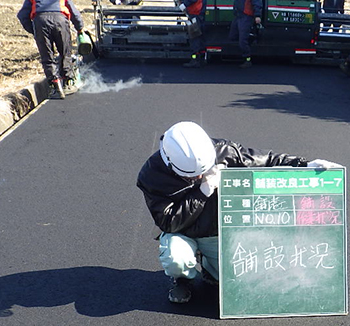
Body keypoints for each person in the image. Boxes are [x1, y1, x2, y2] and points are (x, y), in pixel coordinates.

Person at [136, 121, 339, 303]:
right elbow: (169, 222)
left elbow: (265, 160)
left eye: (203, 171)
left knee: (235, 278)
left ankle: (210, 268)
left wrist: (303, 165)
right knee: (176, 259)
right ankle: (182, 279)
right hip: (183, 232)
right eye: (194, 176)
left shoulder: (223, 151)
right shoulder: (152, 175)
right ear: (170, 163)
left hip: (216, 231)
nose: (200, 176)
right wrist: (203, 191)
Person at [17, 0, 84, 99]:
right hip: (60, 21)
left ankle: (55, 84)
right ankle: (68, 82)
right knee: (65, 52)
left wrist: (33, 30)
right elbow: (74, 13)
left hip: (40, 22)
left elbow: (22, 15)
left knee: (47, 55)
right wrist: (80, 28)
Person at [229, 0, 262, 68]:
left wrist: (257, 15)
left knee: (242, 40)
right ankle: (250, 38)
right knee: (232, 36)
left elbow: (257, 3)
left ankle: (247, 59)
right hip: (238, 17)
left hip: (246, 17)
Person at [178, 0, 208, 68]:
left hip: (195, 13)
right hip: (199, 12)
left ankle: (195, 59)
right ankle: (202, 58)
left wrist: (184, 4)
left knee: (194, 36)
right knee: (200, 36)